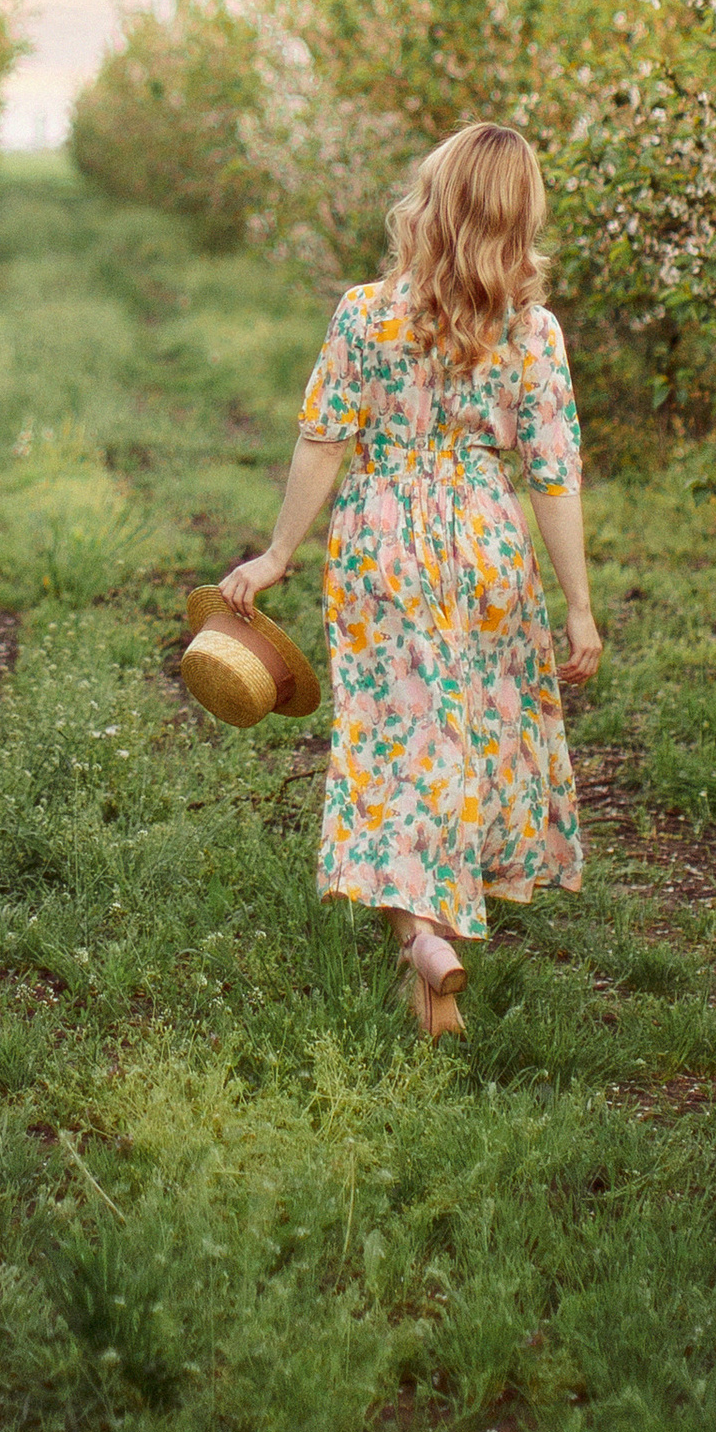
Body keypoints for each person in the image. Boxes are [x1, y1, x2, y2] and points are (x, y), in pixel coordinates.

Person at [219, 120, 602, 1037]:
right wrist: (580, 607)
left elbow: (324, 440)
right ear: (518, 221)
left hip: (381, 539)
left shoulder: (367, 312)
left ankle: (420, 936)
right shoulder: (533, 333)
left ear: (432, 205)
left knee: (392, 737)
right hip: (484, 540)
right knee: (464, 733)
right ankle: (437, 929)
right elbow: (554, 477)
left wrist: (277, 554)